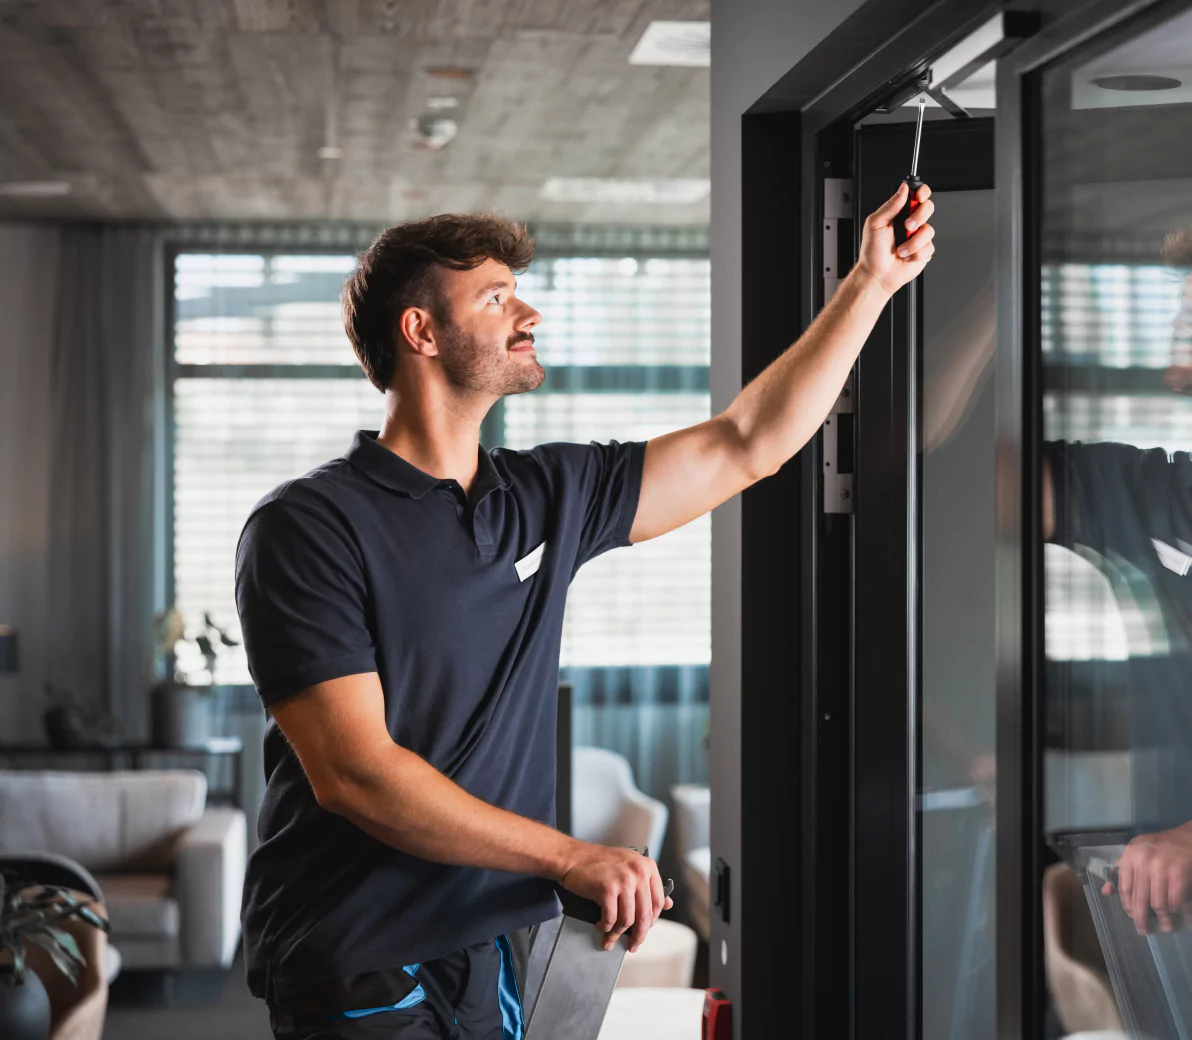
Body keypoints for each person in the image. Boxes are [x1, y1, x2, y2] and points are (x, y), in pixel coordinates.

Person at [234, 182, 936, 1039]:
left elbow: (747, 443)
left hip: (494, 937)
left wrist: (869, 285)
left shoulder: (545, 493)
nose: (526, 311)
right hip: (357, 948)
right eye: (494, 297)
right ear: (420, 332)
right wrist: (571, 856)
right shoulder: (307, 526)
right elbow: (356, 775)